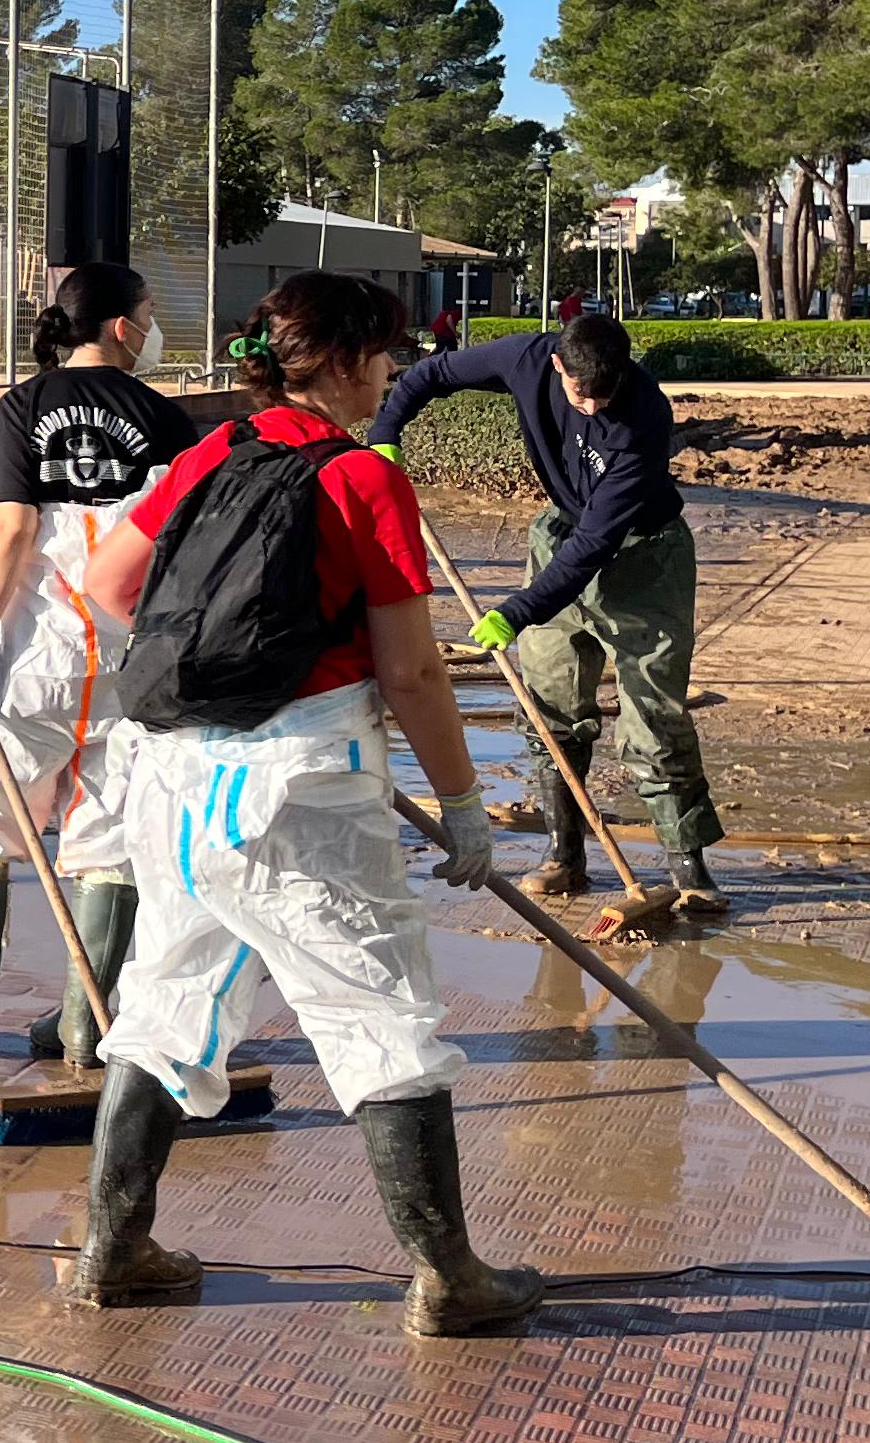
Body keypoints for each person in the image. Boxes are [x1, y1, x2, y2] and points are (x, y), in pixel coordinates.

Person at [73, 270, 542, 1339]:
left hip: (175, 785)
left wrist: (215, 641)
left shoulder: (210, 451)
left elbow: (106, 585)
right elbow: (414, 671)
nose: (392, 373)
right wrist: (464, 805)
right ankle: (449, 1277)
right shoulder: (361, 479)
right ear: (333, 358)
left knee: (168, 1003)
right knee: (381, 1016)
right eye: (382, 354)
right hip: (300, 794)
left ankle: (113, 1250)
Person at [0, 261, 195, 1060]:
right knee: (111, 834)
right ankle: (81, 1024)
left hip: (32, 654)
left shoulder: (23, 408)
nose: (152, 326)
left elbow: (12, 531)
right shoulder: (167, 419)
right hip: (130, 660)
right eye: (149, 312)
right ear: (122, 327)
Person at [367, 303, 722, 917]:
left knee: (653, 717)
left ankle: (689, 867)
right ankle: (564, 855)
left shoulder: (642, 417)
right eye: (583, 398)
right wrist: (385, 439)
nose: (593, 409)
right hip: (558, 535)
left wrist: (516, 610)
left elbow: (595, 547)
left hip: (643, 562)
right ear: (558, 366)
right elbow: (430, 376)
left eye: (603, 398)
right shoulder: (525, 358)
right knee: (548, 704)